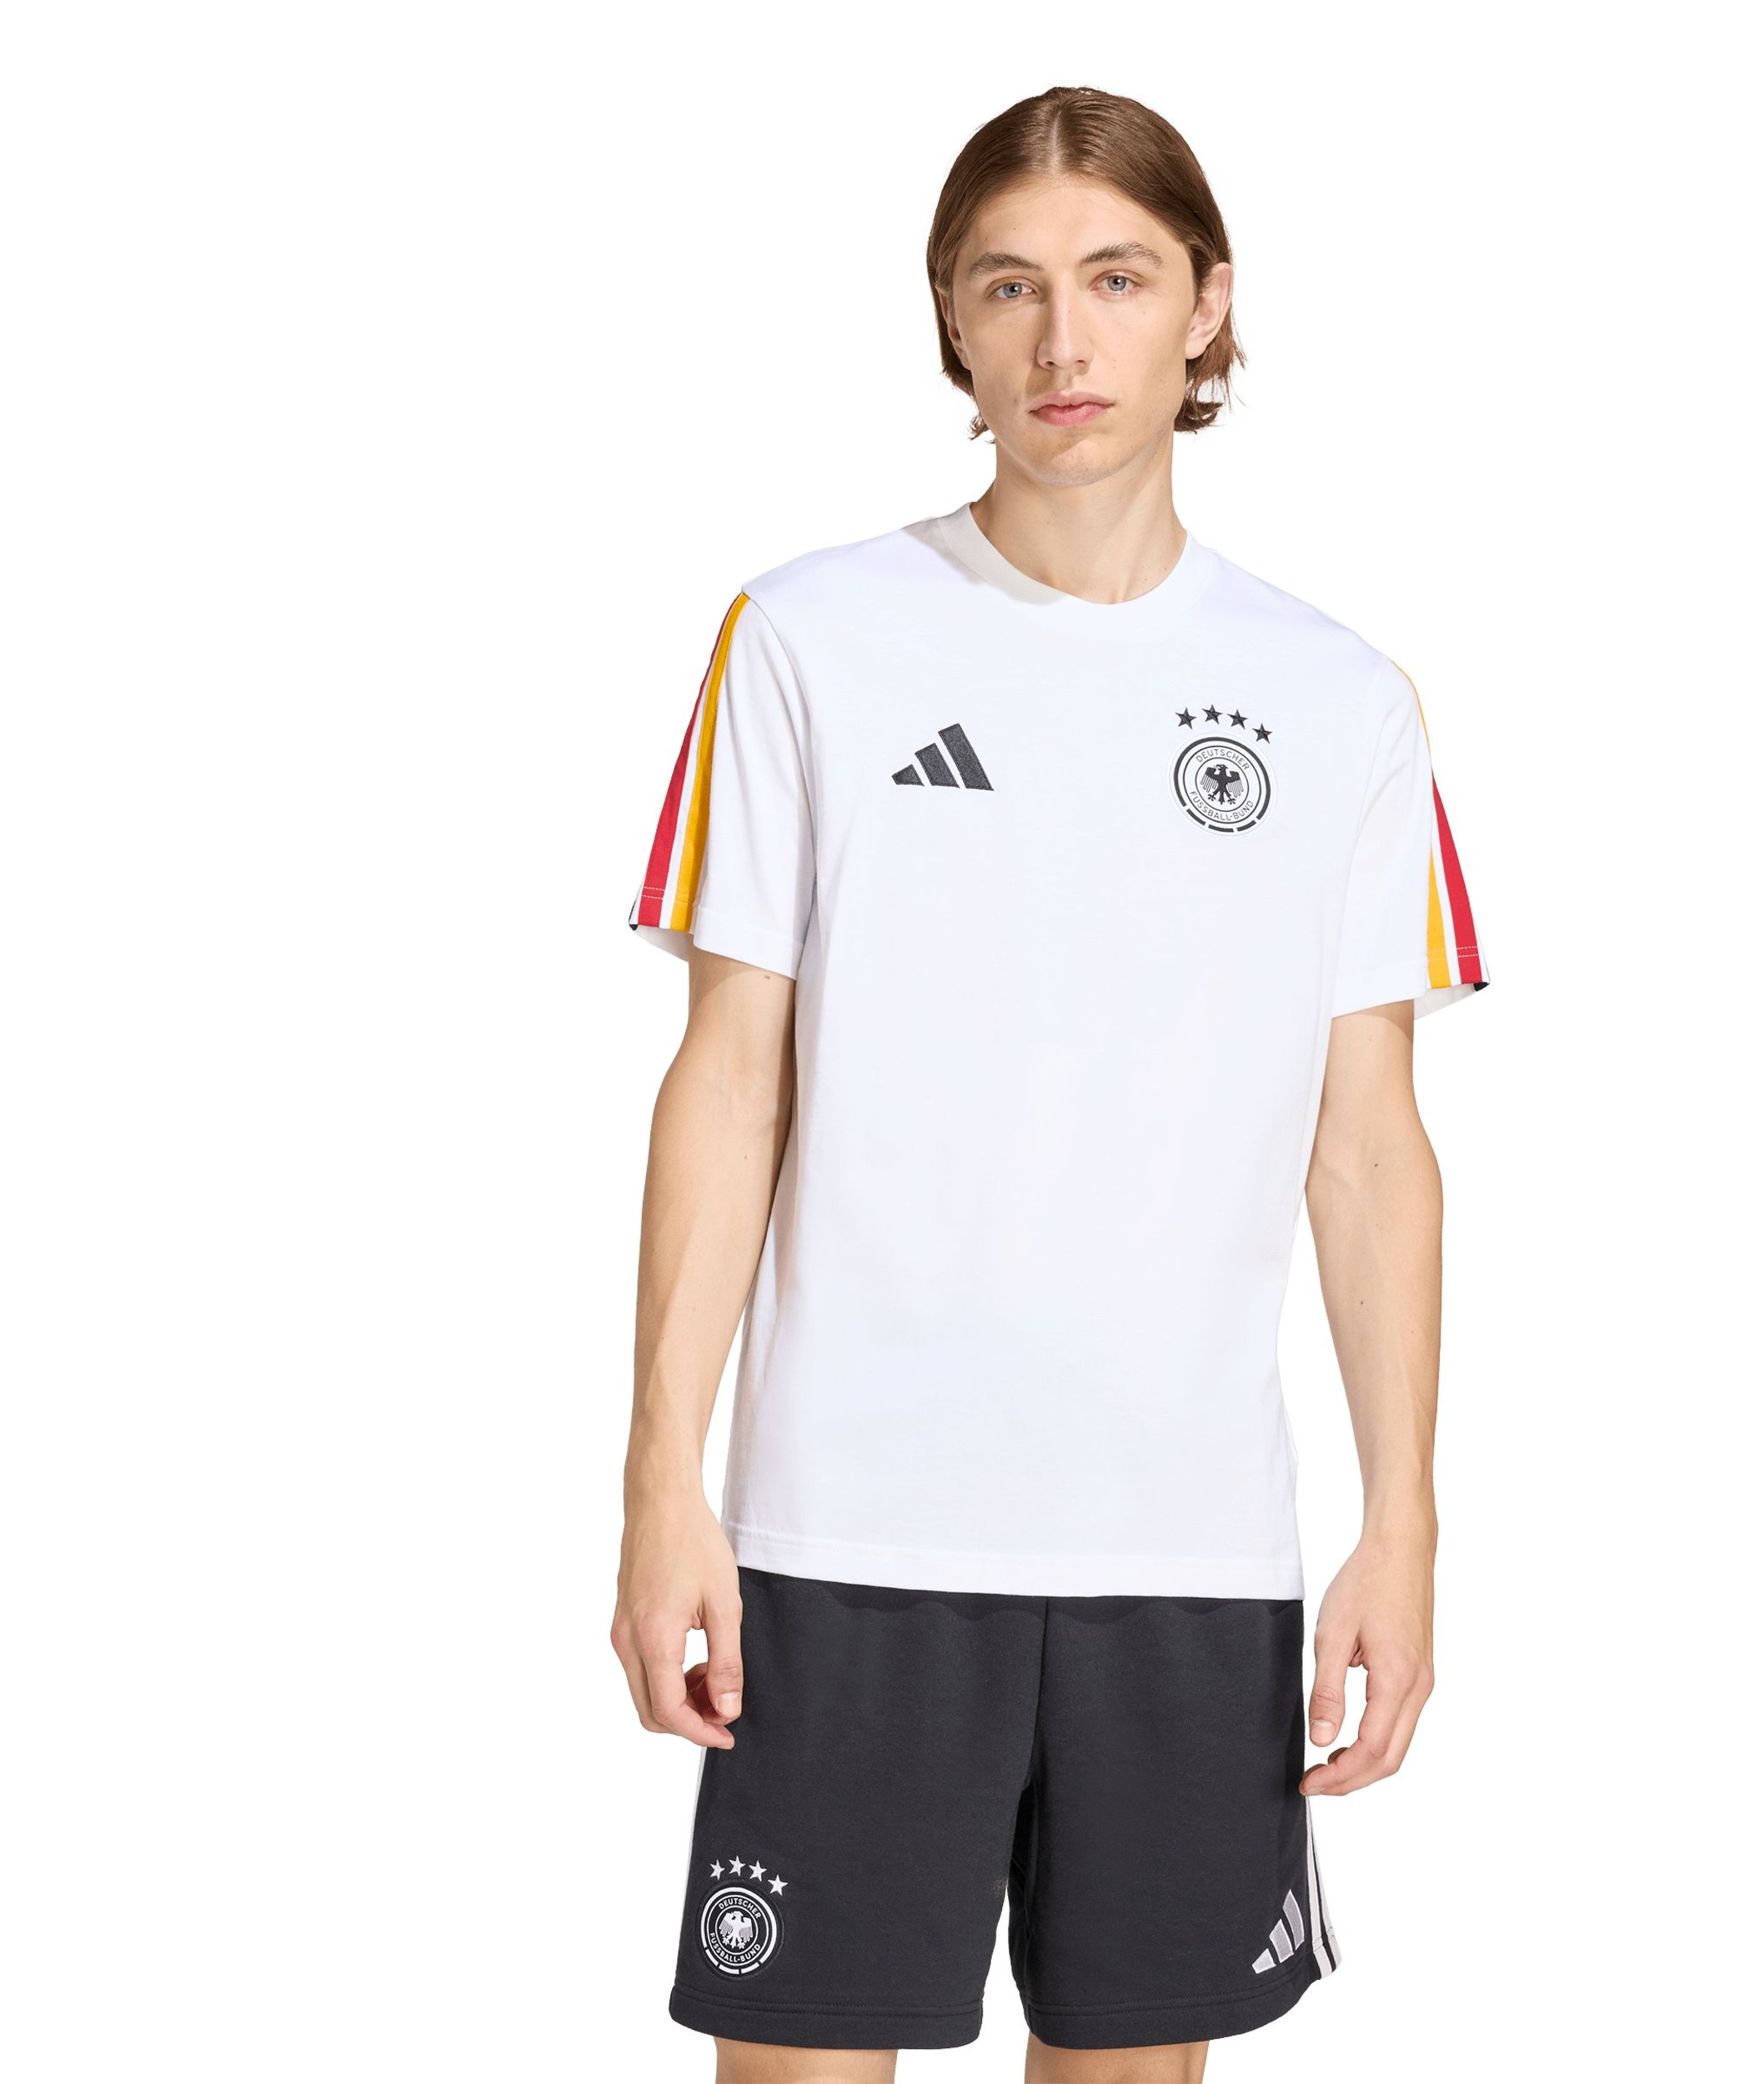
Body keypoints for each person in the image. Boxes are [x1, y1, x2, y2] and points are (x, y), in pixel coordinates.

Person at [611, 84, 1487, 2084]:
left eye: (1114, 278)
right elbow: (726, 1082)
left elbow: (1368, 1151)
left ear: (1206, 306)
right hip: (847, 1538)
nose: (1061, 339)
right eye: (1007, 286)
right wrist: (663, 1480)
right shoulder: (805, 638)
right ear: (951, 316)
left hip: (1183, 1554)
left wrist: (1403, 1523)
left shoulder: (1338, 698)